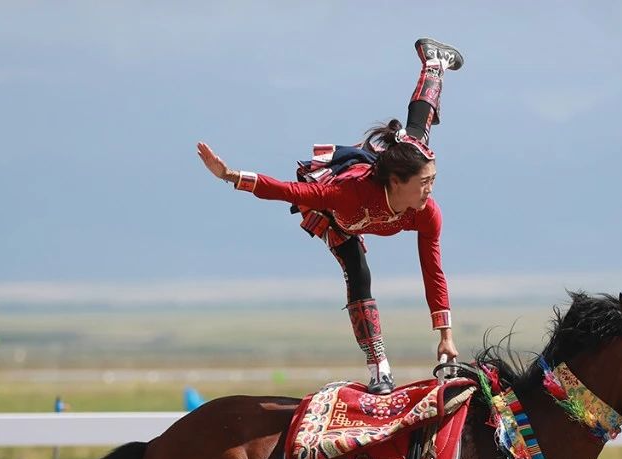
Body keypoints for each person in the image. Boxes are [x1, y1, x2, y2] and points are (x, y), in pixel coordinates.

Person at [197, 38, 464, 394]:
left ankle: (434, 64)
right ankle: (379, 368)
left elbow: (433, 271)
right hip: (340, 217)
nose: (431, 189)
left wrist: (446, 336)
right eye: (425, 183)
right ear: (398, 183)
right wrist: (231, 176)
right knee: (357, 270)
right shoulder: (347, 193)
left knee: (417, 131)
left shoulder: (426, 211)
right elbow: (287, 191)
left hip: (396, 164)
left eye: (434, 181)